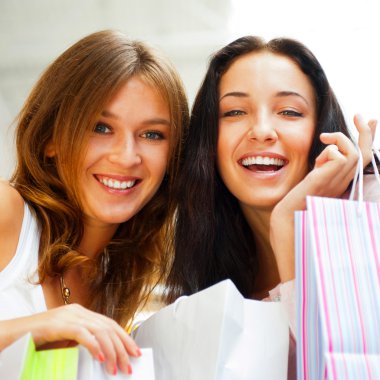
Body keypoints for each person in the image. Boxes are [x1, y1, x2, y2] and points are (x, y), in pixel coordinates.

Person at [164, 36, 379, 379]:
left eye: (290, 112)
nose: (262, 130)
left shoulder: (371, 229)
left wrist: (288, 223)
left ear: (321, 130)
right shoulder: (206, 286)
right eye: (234, 112)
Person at [0, 30, 188, 376]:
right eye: (101, 127)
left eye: (152, 135)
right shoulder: (7, 211)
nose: (127, 156)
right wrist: (37, 328)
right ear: (50, 139)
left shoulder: (115, 290)